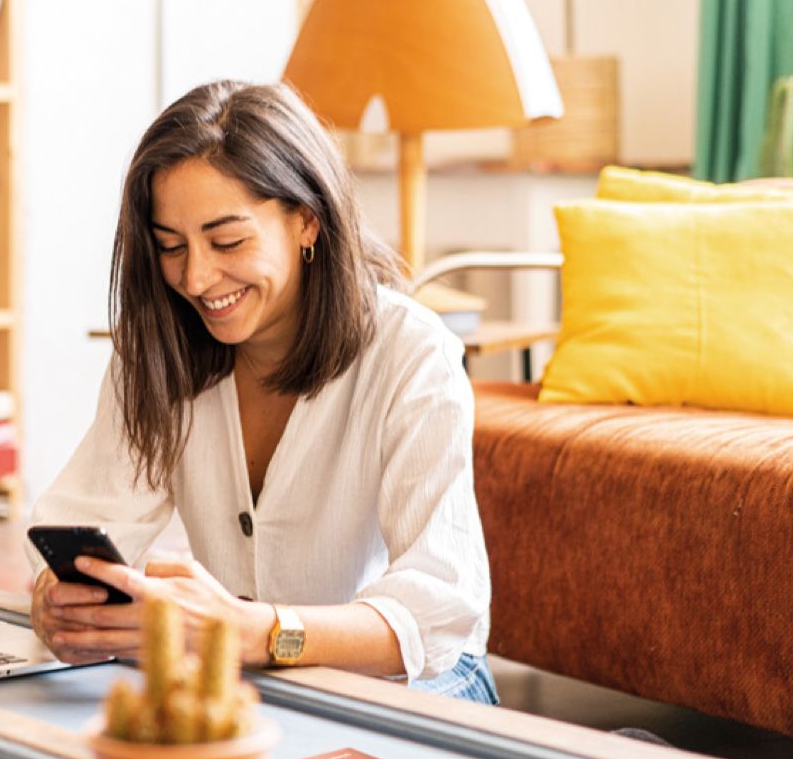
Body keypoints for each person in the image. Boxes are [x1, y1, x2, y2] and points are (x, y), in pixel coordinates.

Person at [27, 80, 496, 703]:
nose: (195, 277)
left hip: (413, 682)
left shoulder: (412, 354)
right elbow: (78, 523)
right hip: (252, 682)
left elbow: (438, 617)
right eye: (172, 248)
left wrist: (259, 632)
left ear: (307, 220)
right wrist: (56, 607)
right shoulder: (159, 356)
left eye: (227, 241)